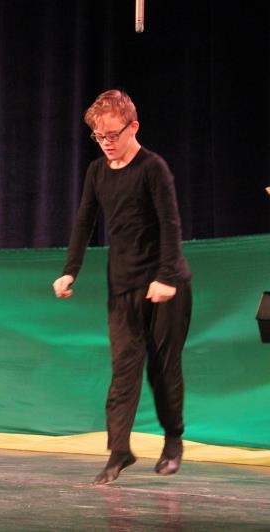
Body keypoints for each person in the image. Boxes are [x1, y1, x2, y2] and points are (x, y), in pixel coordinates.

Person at [52, 89, 192, 485]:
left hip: (165, 283)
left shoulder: (153, 168)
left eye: (113, 134)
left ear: (134, 127)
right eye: (99, 136)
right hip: (123, 285)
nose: (106, 143)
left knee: (163, 368)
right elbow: (85, 221)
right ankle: (119, 450)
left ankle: (173, 440)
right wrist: (70, 270)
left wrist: (166, 277)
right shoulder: (97, 171)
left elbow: (170, 225)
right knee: (123, 369)